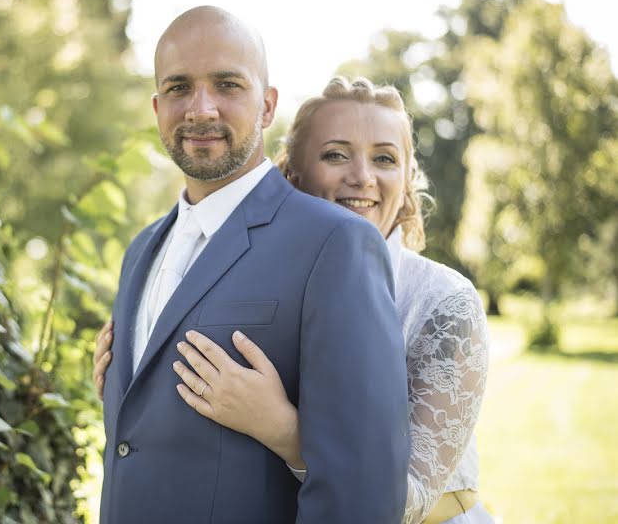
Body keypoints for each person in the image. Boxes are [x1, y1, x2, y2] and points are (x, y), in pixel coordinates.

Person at [95, 76, 493, 523]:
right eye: (335, 155)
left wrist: (283, 430)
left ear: (405, 180)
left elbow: (403, 499)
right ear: (292, 175)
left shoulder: (445, 303)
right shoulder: (257, 280)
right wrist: (131, 385)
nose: (361, 176)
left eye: (384, 158)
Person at [97, 8, 410, 524]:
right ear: (157, 108)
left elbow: (362, 490)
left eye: (226, 84)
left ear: (267, 106)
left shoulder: (336, 245)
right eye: (178, 88)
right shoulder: (140, 252)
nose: (200, 109)